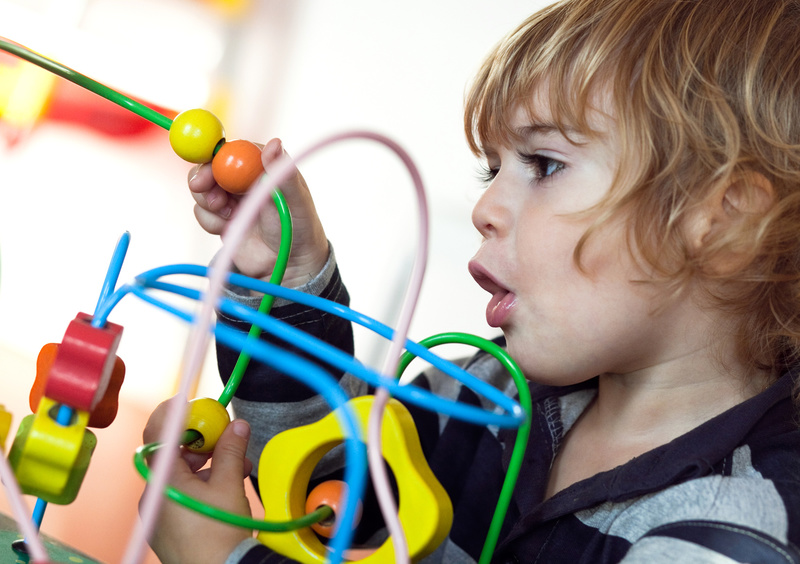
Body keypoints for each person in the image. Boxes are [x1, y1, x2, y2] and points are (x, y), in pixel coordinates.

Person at [141, 0, 800, 562]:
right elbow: (324, 478)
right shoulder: (477, 392)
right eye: (493, 170)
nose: (485, 209)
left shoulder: (737, 530)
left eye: (543, 164)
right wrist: (285, 284)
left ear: (720, 222)